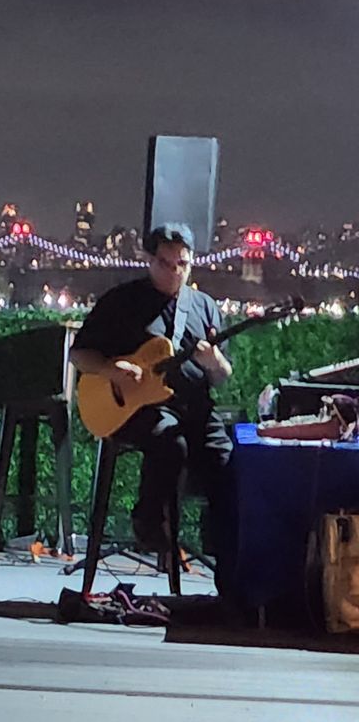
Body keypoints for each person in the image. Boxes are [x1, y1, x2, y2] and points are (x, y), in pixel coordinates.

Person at [69, 222, 233, 567]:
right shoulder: (122, 302)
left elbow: (221, 375)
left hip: (195, 408)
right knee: (168, 439)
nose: (174, 272)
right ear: (148, 259)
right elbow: (80, 353)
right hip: (136, 410)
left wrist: (213, 361)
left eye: (182, 265)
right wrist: (110, 369)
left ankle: (227, 558)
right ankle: (149, 522)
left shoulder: (204, 307)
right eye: (165, 263)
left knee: (227, 460)